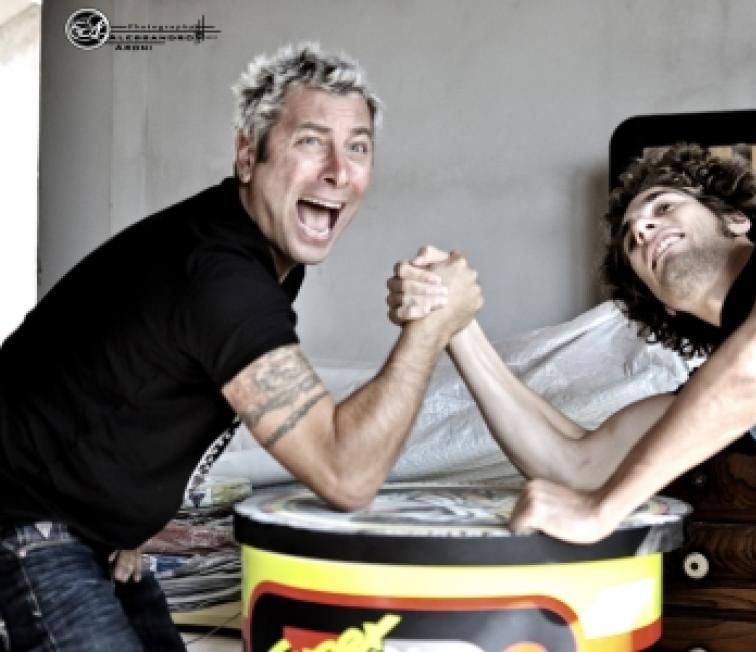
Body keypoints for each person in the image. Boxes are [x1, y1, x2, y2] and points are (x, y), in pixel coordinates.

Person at [390, 143, 756, 650]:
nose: (643, 230)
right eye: (632, 242)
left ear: (734, 219)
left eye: (662, 207)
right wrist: (455, 328)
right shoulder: (731, 399)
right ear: (661, 302)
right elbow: (575, 463)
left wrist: (602, 510)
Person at [0, 43, 481, 650]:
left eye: (358, 147)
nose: (338, 171)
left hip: (93, 528)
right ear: (248, 156)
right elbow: (346, 475)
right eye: (311, 141)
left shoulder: (261, 255)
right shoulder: (223, 277)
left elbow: (136, 378)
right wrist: (429, 329)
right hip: (24, 516)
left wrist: (125, 515)